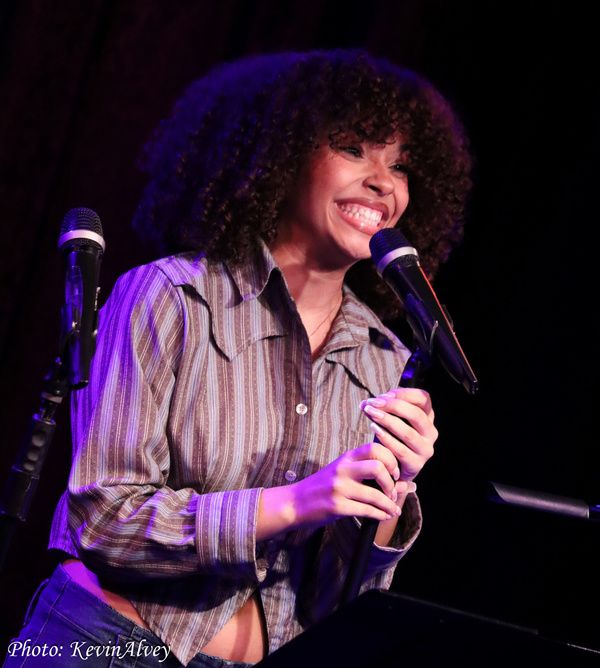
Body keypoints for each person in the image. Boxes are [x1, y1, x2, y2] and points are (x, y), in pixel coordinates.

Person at [5, 49, 471, 667]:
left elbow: (336, 598)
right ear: (280, 152)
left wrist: (391, 493)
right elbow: (103, 521)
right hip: (103, 646)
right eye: (354, 148)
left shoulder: (384, 358)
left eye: (401, 165)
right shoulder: (169, 296)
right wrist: (296, 501)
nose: (383, 182)